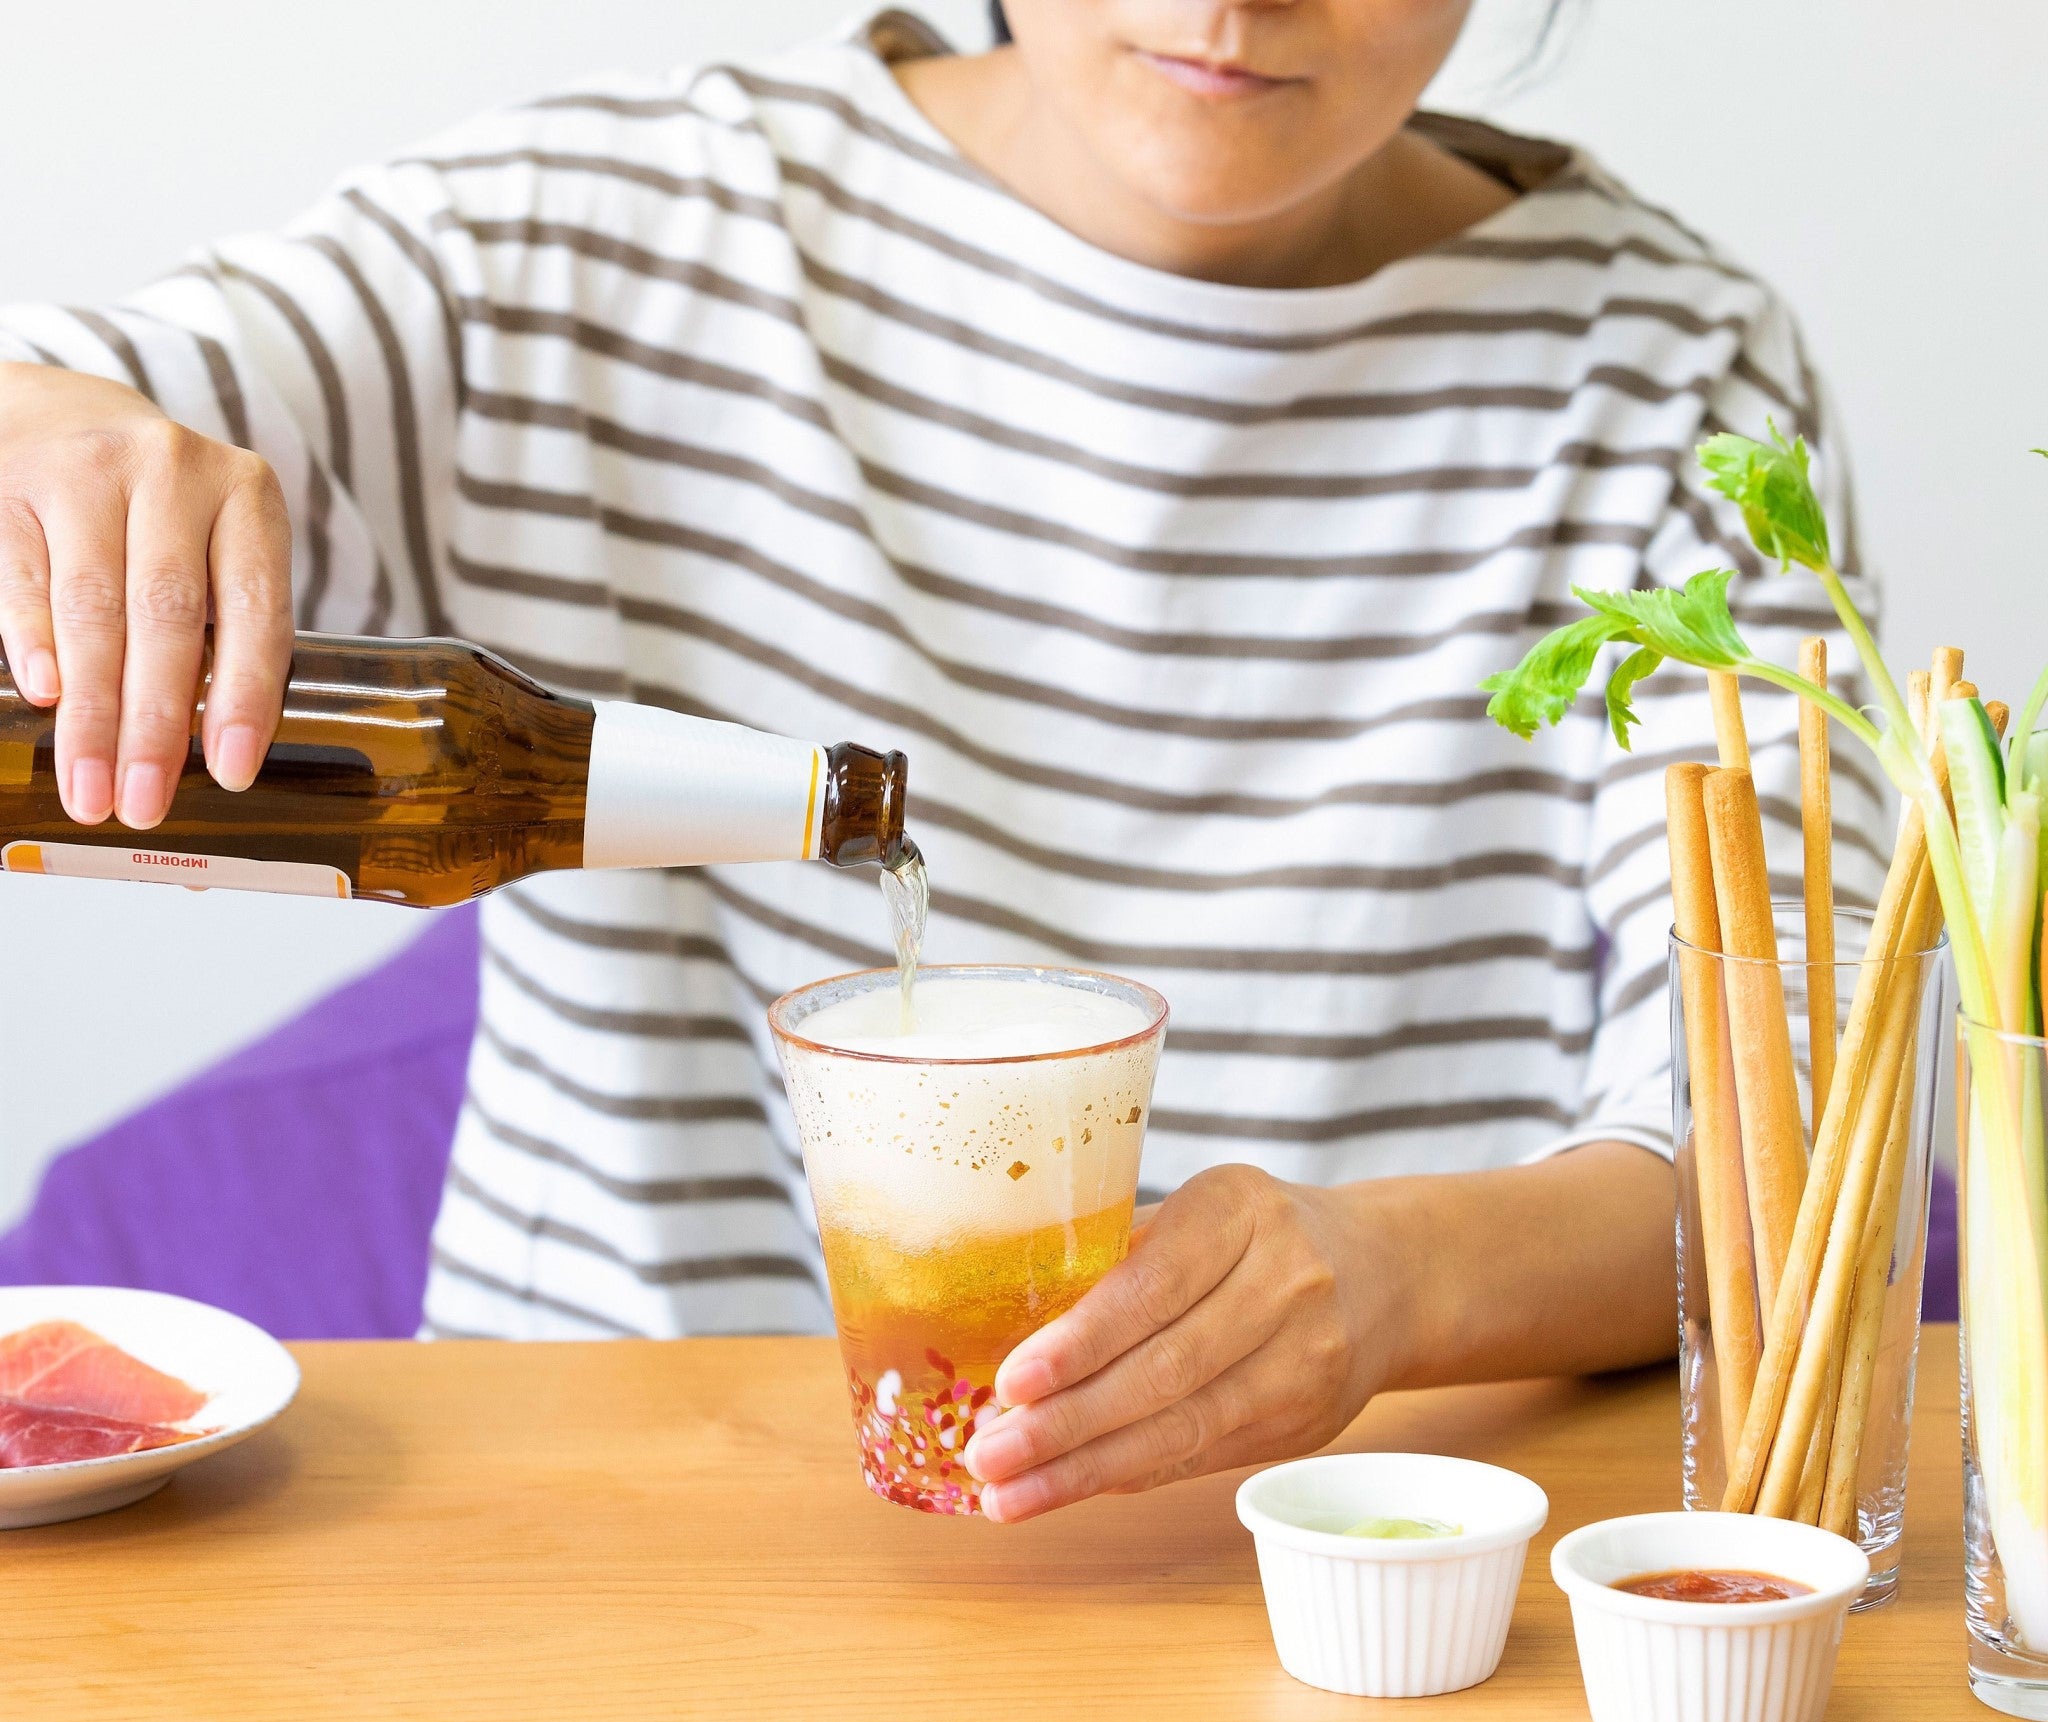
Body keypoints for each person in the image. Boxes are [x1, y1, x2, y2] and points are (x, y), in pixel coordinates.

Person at [0, 1, 1884, 1520]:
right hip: (601, 1553)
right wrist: (55, 436)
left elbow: (1804, 1129)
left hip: (1332, 1571)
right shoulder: (574, 249)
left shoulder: (1665, 379)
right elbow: (71, 394)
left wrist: (1398, 1279)